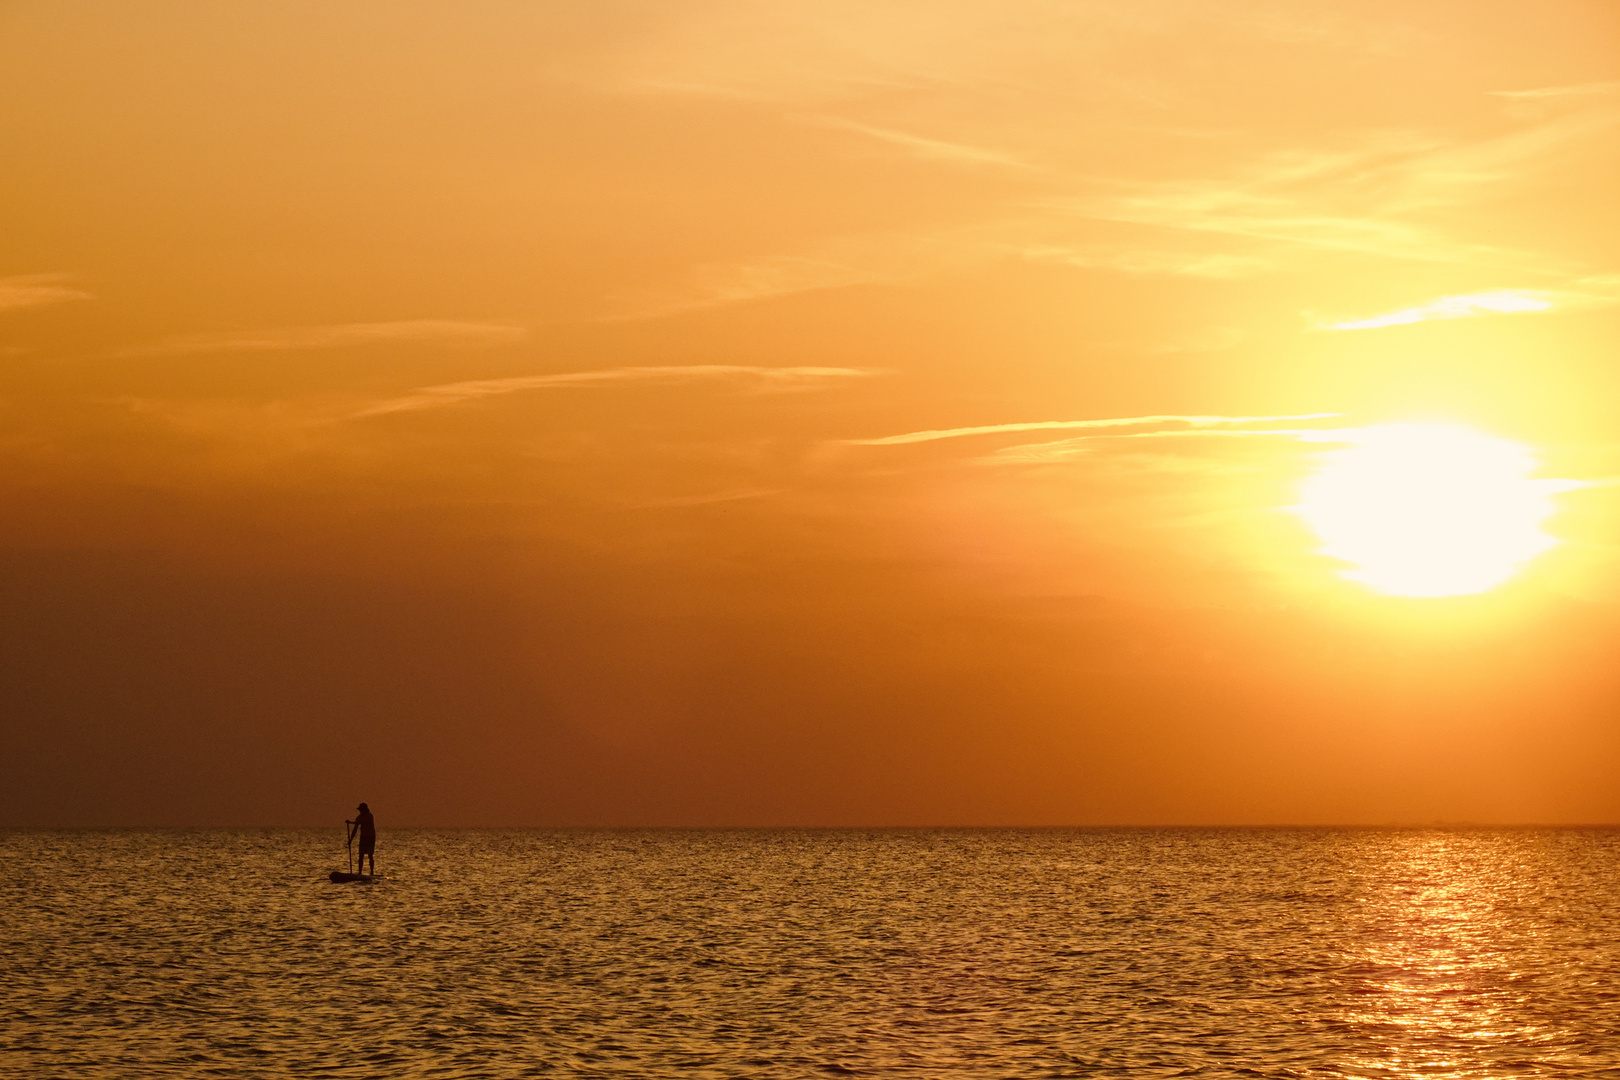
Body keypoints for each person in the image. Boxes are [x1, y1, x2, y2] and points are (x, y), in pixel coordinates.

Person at [346, 802, 376, 876]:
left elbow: (358, 822)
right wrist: (350, 840)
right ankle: (360, 872)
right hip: (363, 838)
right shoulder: (360, 817)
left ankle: (372, 872)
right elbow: (355, 829)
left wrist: (351, 822)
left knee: (370, 855)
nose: (360, 811)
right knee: (361, 855)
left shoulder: (369, 816)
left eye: (361, 810)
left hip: (370, 837)